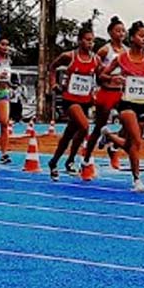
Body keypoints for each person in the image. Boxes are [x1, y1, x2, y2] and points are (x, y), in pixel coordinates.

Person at [99, 20, 144, 193]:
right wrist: (114, 79)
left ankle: (108, 134)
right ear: (132, 37)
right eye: (141, 36)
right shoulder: (122, 58)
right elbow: (103, 75)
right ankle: (137, 180)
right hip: (127, 102)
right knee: (136, 141)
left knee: (130, 144)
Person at [47, 24, 100, 181]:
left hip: (86, 101)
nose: (90, 43)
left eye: (93, 41)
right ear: (79, 41)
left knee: (69, 134)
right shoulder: (69, 56)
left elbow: (101, 76)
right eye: (87, 40)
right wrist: (53, 83)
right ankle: (70, 161)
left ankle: (54, 161)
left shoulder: (96, 60)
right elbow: (52, 67)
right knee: (84, 127)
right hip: (70, 100)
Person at [81, 16, 127, 168]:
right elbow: (95, 69)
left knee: (130, 123)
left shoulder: (127, 51)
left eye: (123, 31)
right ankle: (86, 157)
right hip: (106, 92)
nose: (121, 34)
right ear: (110, 33)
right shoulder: (105, 50)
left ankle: (113, 145)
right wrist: (105, 79)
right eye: (117, 31)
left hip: (122, 93)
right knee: (99, 126)